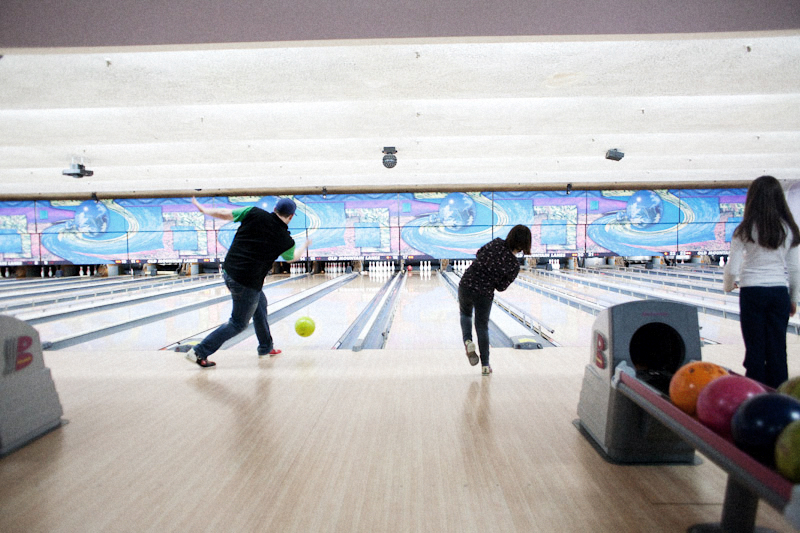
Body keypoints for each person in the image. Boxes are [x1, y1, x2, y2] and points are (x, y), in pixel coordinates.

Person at [185, 196, 311, 368]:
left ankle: (266, 347)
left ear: (275, 209)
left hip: (229, 271)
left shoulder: (253, 212)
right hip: (247, 283)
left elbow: (224, 213)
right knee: (238, 323)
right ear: (291, 216)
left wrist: (204, 210)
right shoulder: (286, 240)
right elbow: (292, 258)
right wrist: (304, 245)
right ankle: (199, 351)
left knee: (260, 304)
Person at [723, 175, 800, 388]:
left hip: (752, 292)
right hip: (778, 292)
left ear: (752, 199)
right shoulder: (788, 229)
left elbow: (733, 267)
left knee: (755, 350)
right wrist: (793, 299)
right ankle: (780, 396)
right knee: (778, 349)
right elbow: (795, 268)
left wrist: (728, 286)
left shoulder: (744, 229)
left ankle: (755, 396)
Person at [459, 224, 532, 375]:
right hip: (484, 293)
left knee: (465, 314)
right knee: (482, 327)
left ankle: (467, 341)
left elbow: (479, 253)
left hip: (467, 283)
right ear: (525, 244)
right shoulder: (514, 265)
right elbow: (500, 287)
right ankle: (485, 365)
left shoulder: (496, 242)